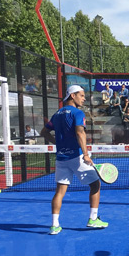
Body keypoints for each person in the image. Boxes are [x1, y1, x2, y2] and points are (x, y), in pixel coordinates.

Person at [40, 85, 108, 235]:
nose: (84, 98)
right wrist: (86, 154)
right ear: (73, 95)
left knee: (60, 192)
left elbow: (44, 132)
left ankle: (54, 225)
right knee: (95, 184)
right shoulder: (78, 113)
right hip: (77, 157)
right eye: (82, 95)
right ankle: (93, 219)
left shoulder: (57, 114)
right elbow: (80, 133)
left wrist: (57, 143)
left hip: (61, 158)